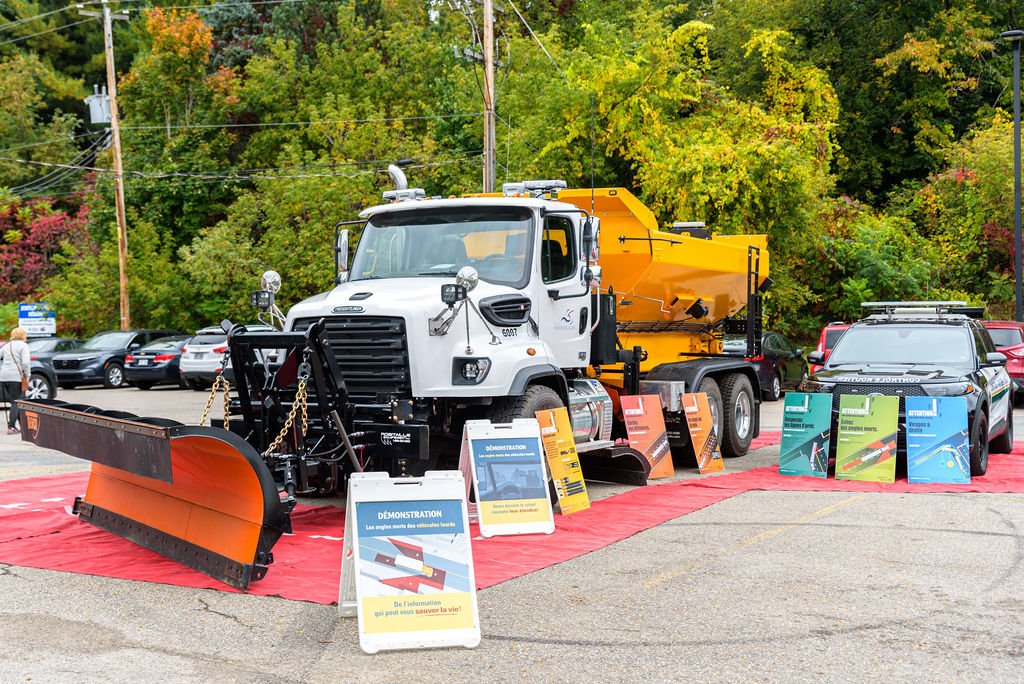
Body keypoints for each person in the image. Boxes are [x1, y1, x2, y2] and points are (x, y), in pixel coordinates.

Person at [0, 327, 31, 434]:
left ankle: (22, 426)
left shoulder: (7, 345)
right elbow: (26, 363)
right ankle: (11, 427)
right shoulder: (24, 346)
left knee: (15, 401)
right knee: (16, 402)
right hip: (16, 377)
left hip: (3, 377)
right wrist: (27, 375)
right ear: (23, 335)